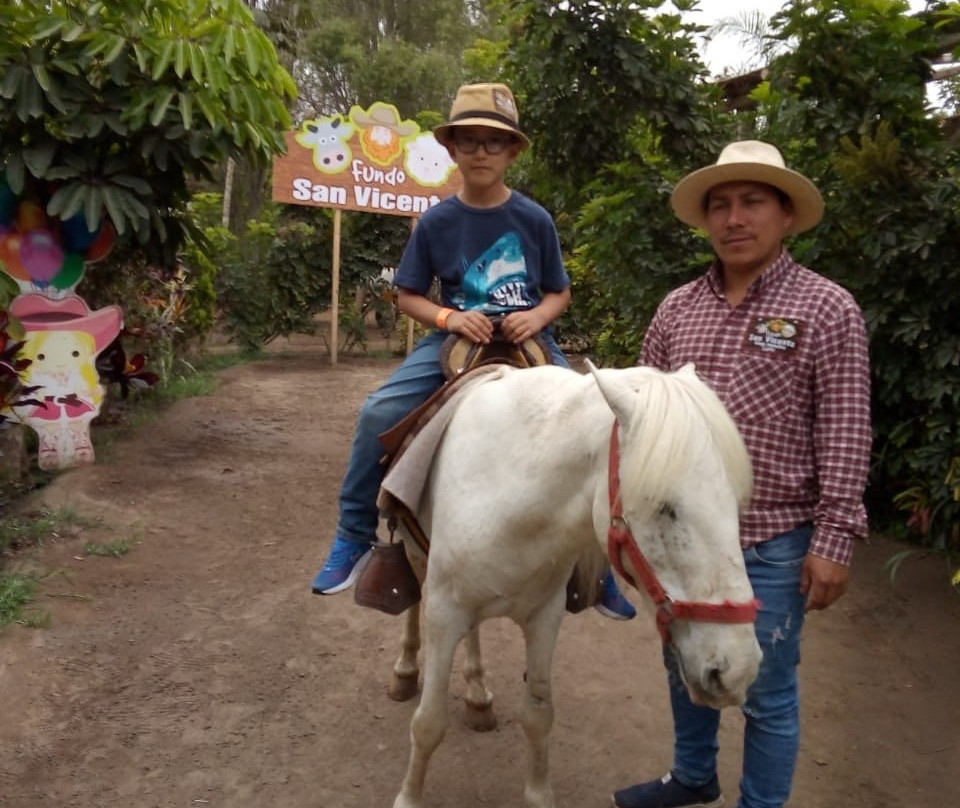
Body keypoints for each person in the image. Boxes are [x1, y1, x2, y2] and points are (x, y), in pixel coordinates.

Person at [311, 82, 635, 620]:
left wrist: (538, 315)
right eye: (470, 141)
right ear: (452, 149)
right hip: (457, 340)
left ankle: (600, 567)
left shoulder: (534, 219)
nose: (481, 152)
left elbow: (560, 290)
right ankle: (353, 534)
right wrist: (449, 316)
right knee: (379, 411)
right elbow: (408, 293)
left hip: (529, 339)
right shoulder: (437, 222)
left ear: (512, 151)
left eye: (494, 142)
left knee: (596, 423)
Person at [612, 141, 872, 808]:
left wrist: (834, 539)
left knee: (768, 689)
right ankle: (693, 776)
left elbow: (844, 427)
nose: (734, 218)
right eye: (720, 205)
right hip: (687, 539)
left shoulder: (827, 309)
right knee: (685, 664)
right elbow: (640, 420)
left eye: (752, 202)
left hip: (774, 537)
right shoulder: (676, 310)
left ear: (786, 216)